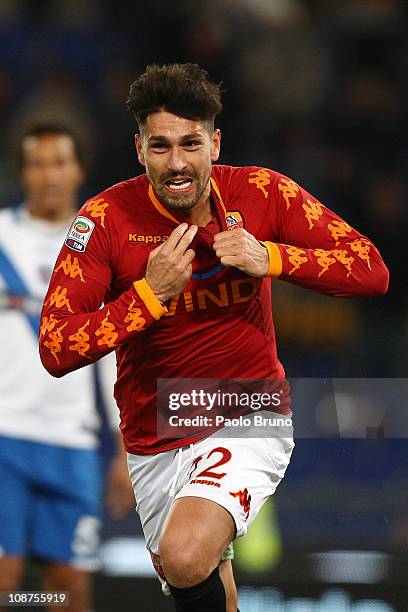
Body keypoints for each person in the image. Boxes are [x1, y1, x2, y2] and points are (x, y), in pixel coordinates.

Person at [39, 64, 389, 612]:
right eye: (160, 146)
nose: (176, 163)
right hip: (155, 431)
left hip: (247, 410)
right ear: (139, 149)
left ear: (215, 143)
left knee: (183, 554)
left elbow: (370, 268)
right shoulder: (104, 219)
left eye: (190, 144)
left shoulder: (262, 192)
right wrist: (148, 297)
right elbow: (56, 347)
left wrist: (269, 257)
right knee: (198, 579)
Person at [0, 123, 134, 612]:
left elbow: (114, 354)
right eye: (38, 163)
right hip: (4, 435)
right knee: (5, 580)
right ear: (23, 173)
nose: (49, 174)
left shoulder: (101, 249)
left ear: (78, 169)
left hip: (72, 443)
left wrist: (125, 448)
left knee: (67, 590)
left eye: (59, 162)